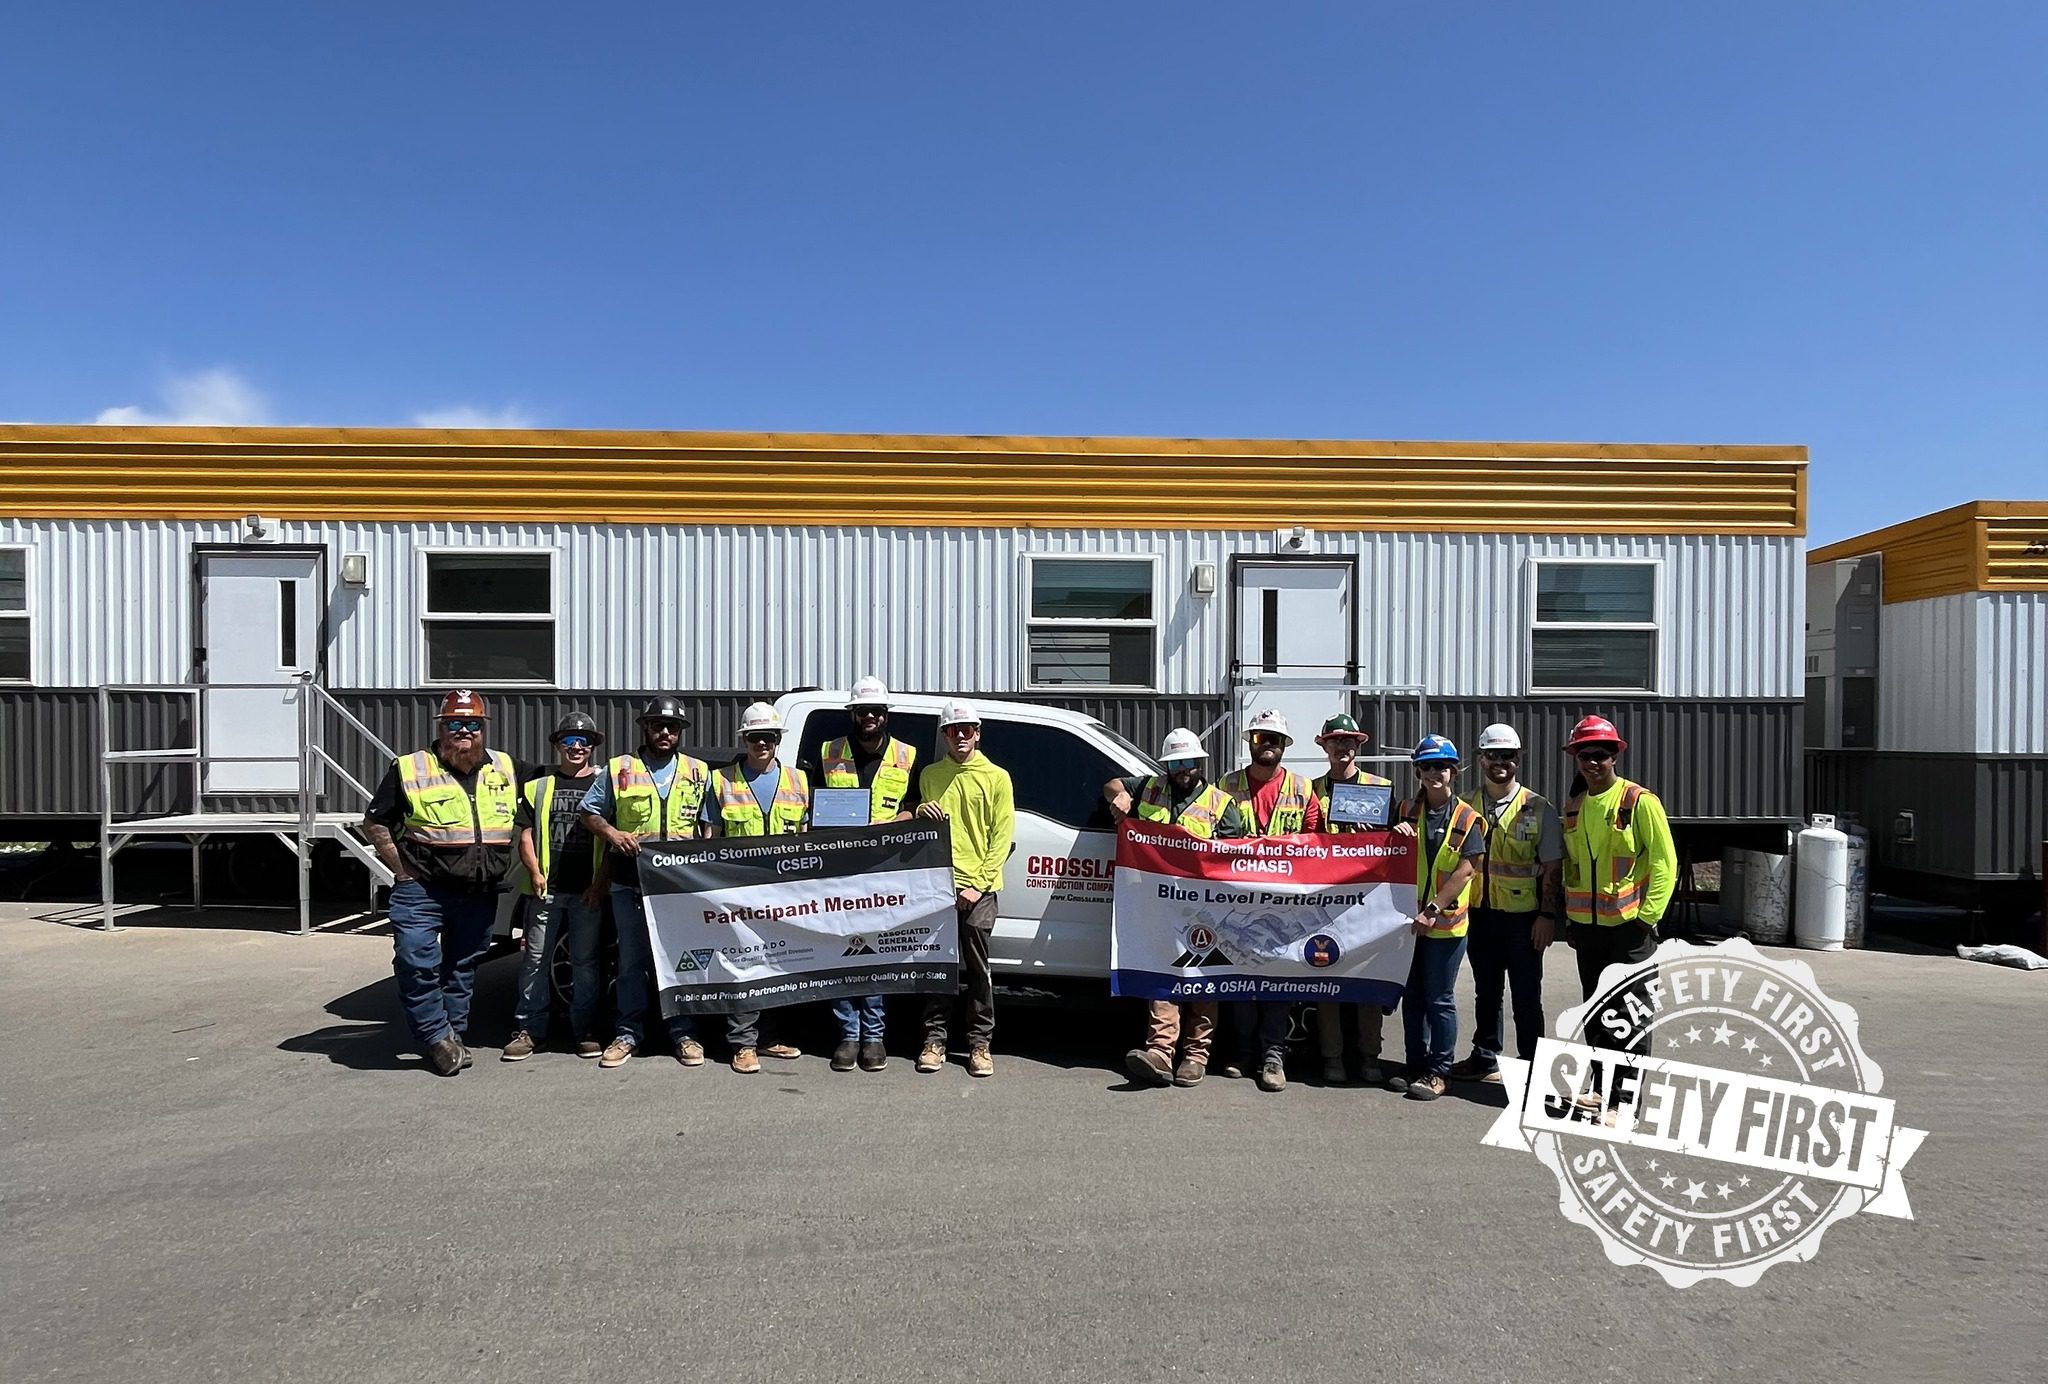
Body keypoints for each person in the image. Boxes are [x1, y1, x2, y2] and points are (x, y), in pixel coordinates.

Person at [361, 690, 521, 1076]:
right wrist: (401, 870)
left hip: (478, 891)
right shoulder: (411, 768)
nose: (463, 732)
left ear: (483, 729)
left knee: (462, 968)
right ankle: (435, 1037)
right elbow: (375, 821)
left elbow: (556, 782)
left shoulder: (505, 767)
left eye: (471, 725)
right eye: (454, 724)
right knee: (417, 961)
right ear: (441, 727)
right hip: (423, 889)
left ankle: (453, 1037)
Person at [1103, 727, 1249, 1088]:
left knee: (1204, 976)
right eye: (1175, 763)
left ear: (1200, 763)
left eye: (1188, 762)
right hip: (1159, 905)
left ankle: (1197, 1056)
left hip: (1206, 908)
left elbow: (1236, 858)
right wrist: (1119, 797)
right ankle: (1159, 1053)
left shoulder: (1221, 804)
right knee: (1161, 973)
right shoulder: (1150, 787)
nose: (1182, 769)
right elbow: (1110, 784)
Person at [578, 696, 712, 1071]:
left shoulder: (699, 772)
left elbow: (708, 825)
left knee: (682, 962)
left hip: (679, 888)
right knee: (631, 963)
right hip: (629, 883)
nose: (665, 732)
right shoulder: (620, 768)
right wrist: (612, 832)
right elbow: (589, 812)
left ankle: (684, 1034)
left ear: (681, 732)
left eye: (672, 727)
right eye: (657, 726)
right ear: (645, 728)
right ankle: (627, 1034)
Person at [799, 676, 920, 1073]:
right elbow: (813, 804)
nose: (869, 717)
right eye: (862, 711)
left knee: (877, 952)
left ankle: (874, 1036)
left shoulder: (908, 755)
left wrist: (893, 824)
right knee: (841, 950)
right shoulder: (828, 751)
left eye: (876, 711)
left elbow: (914, 806)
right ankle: (848, 1035)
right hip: (838, 869)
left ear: (886, 716)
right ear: (852, 714)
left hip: (885, 870)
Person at [1559, 716, 1677, 1105]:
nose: (1593, 763)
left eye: (1601, 754)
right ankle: (1600, 1089)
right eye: (1585, 755)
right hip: (1588, 930)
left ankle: (1624, 1102)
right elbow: (1572, 867)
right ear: (1575, 759)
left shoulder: (1639, 801)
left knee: (1632, 1018)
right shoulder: (1574, 805)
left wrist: (1647, 919)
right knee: (1597, 1014)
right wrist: (1570, 919)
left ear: (1615, 757)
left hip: (1630, 930)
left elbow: (1664, 862)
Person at [1448, 723, 1564, 1085]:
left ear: (1518, 759)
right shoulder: (1466, 805)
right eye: (1493, 755)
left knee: (1527, 995)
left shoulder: (1538, 807)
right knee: (1487, 991)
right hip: (1480, 915)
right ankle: (1485, 1056)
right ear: (1481, 760)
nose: (1500, 763)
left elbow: (1552, 867)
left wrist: (1547, 915)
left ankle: (1532, 1064)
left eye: (1508, 756)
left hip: (1524, 918)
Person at [698, 701, 811, 1073]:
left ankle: (769, 1038)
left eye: (768, 737)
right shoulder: (722, 780)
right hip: (739, 895)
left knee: (780, 965)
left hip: (784, 894)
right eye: (754, 738)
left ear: (778, 740)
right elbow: (710, 839)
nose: (761, 744)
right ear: (744, 740)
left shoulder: (799, 780)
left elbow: (807, 837)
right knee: (743, 967)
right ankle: (743, 1044)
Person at [1215, 708, 1322, 1092]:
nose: (1267, 745)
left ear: (1284, 746)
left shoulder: (1303, 789)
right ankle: (1241, 1053)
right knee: (1242, 976)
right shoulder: (1225, 785)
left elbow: (1317, 843)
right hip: (1238, 899)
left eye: (1273, 739)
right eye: (1260, 738)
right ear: (1250, 743)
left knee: (1278, 978)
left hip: (1286, 903)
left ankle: (1273, 1056)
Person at [913, 700, 1014, 1078]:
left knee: (977, 970)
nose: (960, 736)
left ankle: (979, 1044)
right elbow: (926, 833)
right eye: (954, 731)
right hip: (938, 887)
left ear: (978, 733)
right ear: (944, 735)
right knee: (939, 969)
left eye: (967, 730)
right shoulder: (930, 775)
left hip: (978, 890)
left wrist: (976, 885)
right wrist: (922, 811)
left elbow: (1001, 838)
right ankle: (934, 1041)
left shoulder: (997, 777)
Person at [503, 713, 607, 1061]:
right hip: (546, 889)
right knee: (535, 961)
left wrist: (599, 883)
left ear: (593, 746)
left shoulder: (605, 783)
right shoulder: (539, 785)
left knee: (586, 963)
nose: (576, 747)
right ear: (557, 744)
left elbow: (610, 840)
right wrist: (533, 872)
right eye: (568, 741)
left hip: (587, 891)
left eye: (584, 741)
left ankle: (585, 1031)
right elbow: (527, 834)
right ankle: (529, 1030)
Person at [1391, 735, 1487, 1102]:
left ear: (1454, 772)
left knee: (1439, 998)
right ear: (1418, 771)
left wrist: (1432, 910)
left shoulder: (1467, 817)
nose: (1435, 773)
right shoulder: (1404, 811)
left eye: (1443, 767)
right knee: (1412, 995)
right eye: (1428, 766)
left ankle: (1439, 1070)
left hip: (1444, 925)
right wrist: (1394, 835)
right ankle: (1414, 1063)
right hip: (1408, 923)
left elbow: (1467, 869)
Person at [1307, 713, 1394, 1086]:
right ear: (1323, 745)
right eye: (1335, 741)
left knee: (1367, 979)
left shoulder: (1381, 787)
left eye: (1349, 741)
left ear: (1359, 745)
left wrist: (1392, 832)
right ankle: (1332, 1057)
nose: (1342, 748)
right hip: (1324, 902)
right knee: (1326, 975)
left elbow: (1397, 841)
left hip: (1369, 901)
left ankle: (1369, 1056)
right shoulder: (1310, 791)